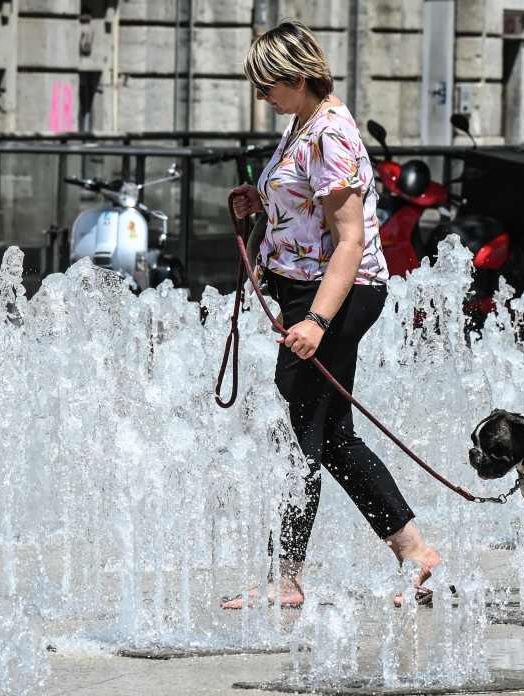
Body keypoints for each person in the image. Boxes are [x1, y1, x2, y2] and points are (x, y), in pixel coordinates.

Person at [222, 20, 440, 610]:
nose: (261, 97)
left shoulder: (331, 135)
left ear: (299, 77)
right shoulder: (303, 124)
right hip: (310, 291)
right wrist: (258, 202)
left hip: (335, 296)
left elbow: (348, 242)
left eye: (268, 85)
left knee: (303, 435)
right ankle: (415, 555)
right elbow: (304, 208)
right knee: (331, 436)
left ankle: (286, 578)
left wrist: (317, 321)